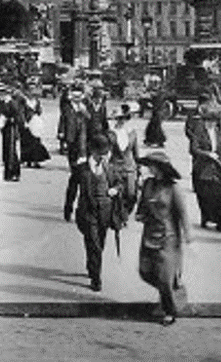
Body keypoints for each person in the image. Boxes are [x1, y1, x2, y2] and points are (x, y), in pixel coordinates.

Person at [135, 150, 190, 325]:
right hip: (149, 234)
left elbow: (182, 214)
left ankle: (170, 310)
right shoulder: (147, 184)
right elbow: (142, 205)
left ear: (160, 168)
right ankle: (173, 294)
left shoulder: (173, 188)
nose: (149, 169)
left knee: (165, 278)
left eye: (151, 165)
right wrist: (140, 214)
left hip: (168, 238)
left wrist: (188, 236)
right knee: (146, 272)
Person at [76, 134, 123, 292]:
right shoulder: (82, 168)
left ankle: (92, 265)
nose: (102, 157)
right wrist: (68, 207)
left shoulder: (109, 167)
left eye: (105, 153)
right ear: (92, 151)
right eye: (99, 154)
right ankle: (96, 278)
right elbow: (71, 188)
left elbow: (119, 183)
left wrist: (115, 190)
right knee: (94, 243)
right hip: (87, 211)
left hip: (105, 211)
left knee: (99, 243)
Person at [189, 109, 221, 232]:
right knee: (204, 195)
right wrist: (207, 154)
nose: (210, 124)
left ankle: (220, 221)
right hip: (203, 168)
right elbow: (194, 149)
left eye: (213, 121)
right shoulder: (199, 134)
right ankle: (205, 217)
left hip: (218, 169)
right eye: (208, 121)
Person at [62, 88, 90, 222]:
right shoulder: (68, 109)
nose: (78, 101)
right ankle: (69, 209)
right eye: (75, 99)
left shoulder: (84, 111)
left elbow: (92, 122)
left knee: (82, 183)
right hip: (74, 148)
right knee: (75, 180)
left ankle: (80, 211)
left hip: (85, 151)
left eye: (79, 99)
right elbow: (63, 121)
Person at [109, 104, 140, 209]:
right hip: (114, 167)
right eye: (119, 118)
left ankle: (126, 211)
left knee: (131, 194)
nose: (122, 121)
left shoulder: (132, 133)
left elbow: (136, 152)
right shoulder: (110, 133)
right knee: (115, 194)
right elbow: (106, 152)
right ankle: (119, 217)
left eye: (124, 118)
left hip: (129, 168)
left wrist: (139, 168)